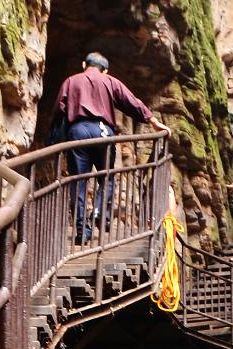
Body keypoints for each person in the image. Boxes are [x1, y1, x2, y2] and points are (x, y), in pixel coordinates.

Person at [51, 52, 155, 242]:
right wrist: (152, 120)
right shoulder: (110, 81)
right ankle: (99, 213)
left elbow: (60, 109)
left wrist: (54, 140)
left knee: (78, 182)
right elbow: (131, 102)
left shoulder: (71, 81)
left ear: (84, 64)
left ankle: (82, 231)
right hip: (103, 132)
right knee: (106, 177)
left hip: (78, 131)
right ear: (105, 70)